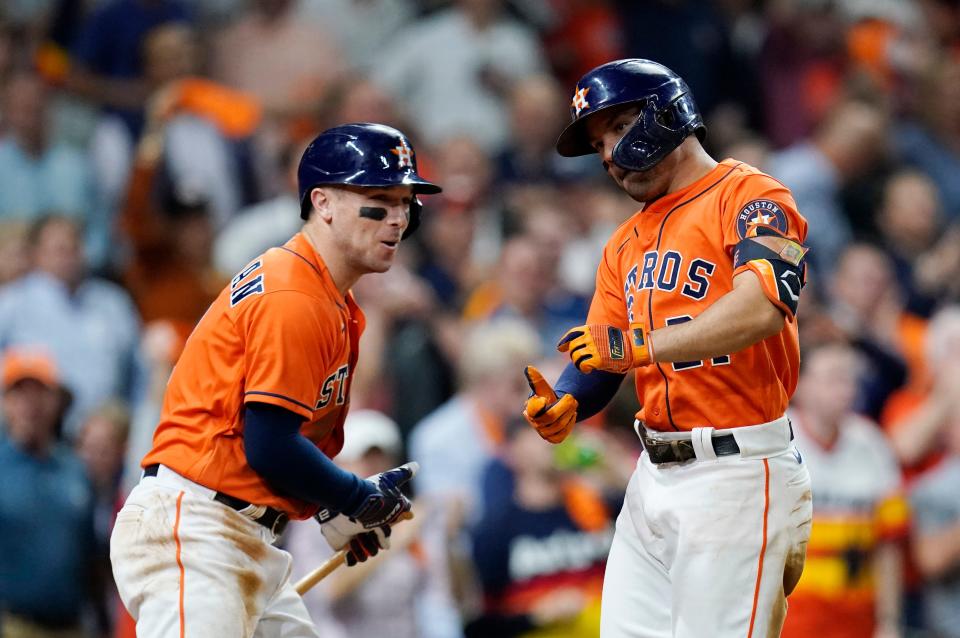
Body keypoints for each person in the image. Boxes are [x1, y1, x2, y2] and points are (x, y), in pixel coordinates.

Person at [109, 122, 442, 638]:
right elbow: (270, 444)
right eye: (378, 199)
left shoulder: (328, 297)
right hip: (196, 530)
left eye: (406, 204)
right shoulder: (296, 295)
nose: (397, 218)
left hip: (243, 534)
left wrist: (337, 507)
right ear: (323, 203)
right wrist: (355, 497)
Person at [522, 59, 813, 638]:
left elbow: (760, 308)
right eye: (598, 143)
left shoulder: (753, 194)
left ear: (666, 114)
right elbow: (600, 356)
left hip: (736, 472)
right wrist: (570, 400)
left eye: (619, 128)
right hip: (651, 475)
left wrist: (638, 346)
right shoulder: (621, 244)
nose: (607, 154)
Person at [783, 342, 907, 638]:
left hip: (857, 618)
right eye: (833, 378)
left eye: (849, 378)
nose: (845, 388)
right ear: (801, 383)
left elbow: (889, 543)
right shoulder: (775, 440)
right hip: (789, 619)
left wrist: (889, 621)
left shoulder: (872, 443)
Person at [0, 349, 98, 638]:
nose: (30, 404)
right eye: (20, 394)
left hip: (73, 625)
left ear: (56, 401)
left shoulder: (76, 470)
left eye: (39, 393)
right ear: (6, 403)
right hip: (14, 624)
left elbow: (89, 553)